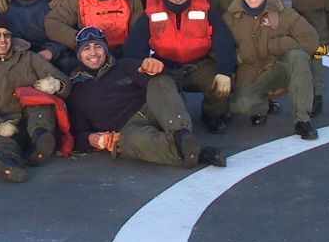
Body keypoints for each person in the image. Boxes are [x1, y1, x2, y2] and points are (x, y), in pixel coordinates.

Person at [67, 27, 225, 167]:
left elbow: (167, 84)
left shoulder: (124, 65)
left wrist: (157, 69)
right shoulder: (76, 90)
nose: (93, 53)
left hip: (153, 110)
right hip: (128, 129)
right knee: (127, 142)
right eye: (86, 48)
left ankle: (180, 133)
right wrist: (91, 139)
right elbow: (77, 134)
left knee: (160, 81)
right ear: (79, 55)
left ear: (106, 50)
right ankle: (194, 152)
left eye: (98, 47)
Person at [123, 0, 237, 134]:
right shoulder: (150, 16)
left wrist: (225, 71)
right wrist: (144, 64)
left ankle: (212, 115)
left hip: (199, 64)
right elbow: (132, 49)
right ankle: (175, 125)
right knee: (160, 90)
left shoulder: (207, 12)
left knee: (222, 84)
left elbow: (224, 41)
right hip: (166, 66)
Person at [0, 15, 71, 183]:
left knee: (42, 105)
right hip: (5, 122)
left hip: (34, 117)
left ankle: (41, 143)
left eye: (7, 35)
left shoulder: (28, 57)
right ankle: (8, 164)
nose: (3, 40)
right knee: (1, 143)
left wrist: (57, 84)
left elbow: (61, 78)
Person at [224, 0, 322, 139]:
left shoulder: (283, 13)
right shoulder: (230, 18)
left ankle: (303, 120)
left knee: (298, 57)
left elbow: (310, 39)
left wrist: (276, 45)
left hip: (278, 67)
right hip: (250, 71)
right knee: (241, 105)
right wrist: (237, 56)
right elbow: (216, 48)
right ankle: (264, 105)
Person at [2, 0, 69, 67]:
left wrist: (51, 51)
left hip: (47, 56)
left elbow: (65, 35)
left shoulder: (51, 4)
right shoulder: (6, 5)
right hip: (15, 57)